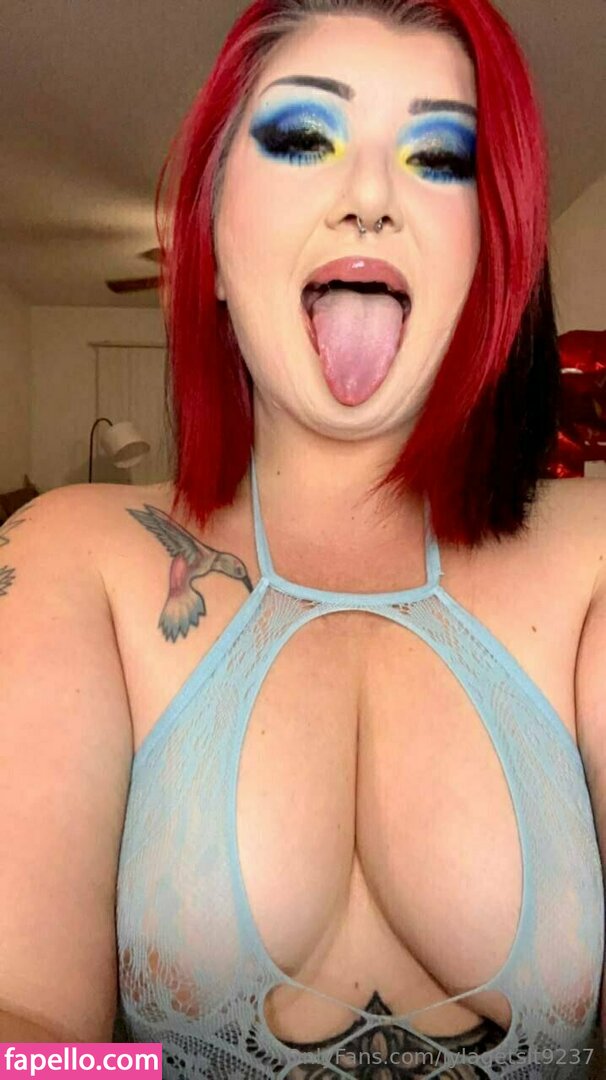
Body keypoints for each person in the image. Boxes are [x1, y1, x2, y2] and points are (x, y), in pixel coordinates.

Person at [1, 0, 604, 1077]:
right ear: (212, 240)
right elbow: (29, 1035)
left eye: (439, 157)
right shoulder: (68, 555)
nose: (370, 196)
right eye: (302, 138)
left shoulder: (596, 559)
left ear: (493, 254)